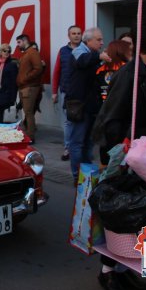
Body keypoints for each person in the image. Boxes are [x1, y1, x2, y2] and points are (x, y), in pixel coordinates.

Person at [92, 19, 146, 290]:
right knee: (126, 214)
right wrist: (119, 154)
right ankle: (111, 271)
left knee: (137, 214)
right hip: (127, 157)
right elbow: (110, 120)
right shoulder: (130, 76)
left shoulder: (144, 74)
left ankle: (118, 269)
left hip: (143, 154)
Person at [65, 27, 111, 181]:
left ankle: (86, 176)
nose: (101, 42)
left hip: (92, 106)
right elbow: (82, 61)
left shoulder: (93, 55)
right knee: (77, 143)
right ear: (88, 40)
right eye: (98, 40)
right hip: (79, 106)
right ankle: (78, 177)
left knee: (89, 145)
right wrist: (99, 57)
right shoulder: (80, 51)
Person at [94, 39, 131, 165]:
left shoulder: (101, 69)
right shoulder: (125, 69)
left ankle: (104, 178)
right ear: (122, 51)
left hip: (104, 115)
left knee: (105, 153)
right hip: (120, 117)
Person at [52, 25, 83, 161]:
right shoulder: (63, 51)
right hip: (66, 92)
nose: (76, 35)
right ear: (69, 36)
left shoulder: (85, 50)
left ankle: (80, 147)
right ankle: (67, 147)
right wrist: (54, 92)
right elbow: (57, 71)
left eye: (78, 33)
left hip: (82, 92)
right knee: (68, 122)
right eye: (73, 33)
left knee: (82, 121)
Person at [15, 34, 43, 143]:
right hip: (25, 86)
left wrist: (25, 78)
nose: (17, 45)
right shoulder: (27, 53)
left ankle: (30, 136)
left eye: (19, 42)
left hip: (29, 87)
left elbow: (38, 68)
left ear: (24, 41)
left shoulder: (32, 53)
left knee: (28, 112)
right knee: (27, 112)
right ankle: (28, 134)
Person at [0, 43, 18, 124]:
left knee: (4, 115)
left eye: (9, 51)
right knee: (0, 114)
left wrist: (13, 97)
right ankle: (1, 129)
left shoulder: (12, 64)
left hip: (6, 93)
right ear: (0, 52)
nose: (7, 53)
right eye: (4, 51)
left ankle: (5, 130)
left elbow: (14, 83)